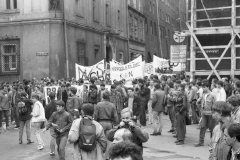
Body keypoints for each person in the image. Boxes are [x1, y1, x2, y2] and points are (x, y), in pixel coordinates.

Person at [195, 80, 216, 147]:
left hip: (210, 114)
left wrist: (214, 113)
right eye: (202, 87)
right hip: (204, 113)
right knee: (202, 127)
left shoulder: (212, 95)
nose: (203, 88)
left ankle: (212, 143)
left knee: (212, 129)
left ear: (207, 87)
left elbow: (215, 105)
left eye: (204, 87)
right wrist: (198, 101)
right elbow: (200, 102)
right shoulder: (203, 94)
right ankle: (201, 142)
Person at [44, 92, 57, 156]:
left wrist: (49, 120)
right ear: (55, 96)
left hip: (52, 122)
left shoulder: (48, 105)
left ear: (49, 97)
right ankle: (60, 149)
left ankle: (52, 151)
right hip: (60, 121)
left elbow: (46, 115)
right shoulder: (59, 103)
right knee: (61, 136)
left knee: (53, 137)